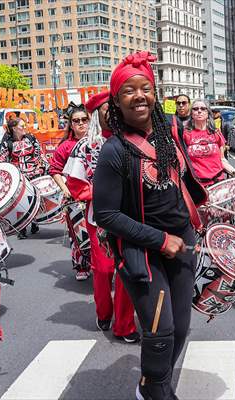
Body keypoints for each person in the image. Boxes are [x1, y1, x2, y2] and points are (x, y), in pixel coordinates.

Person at [93, 51, 207, 400]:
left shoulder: (170, 136)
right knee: (160, 331)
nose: (139, 95)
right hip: (143, 250)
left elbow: (182, 186)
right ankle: (156, 389)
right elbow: (106, 215)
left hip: (183, 243)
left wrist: (201, 217)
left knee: (182, 329)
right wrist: (160, 240)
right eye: (129, 90)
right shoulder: (114, 151)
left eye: (145, 88)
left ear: (155, 94)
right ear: (117, 100)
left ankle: (150, 382)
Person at [63, 90, 139, 343]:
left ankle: (125, 325)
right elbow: (75, 183)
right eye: (107, 111)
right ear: (98, 115)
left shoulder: (132, 140)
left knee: (128, 271)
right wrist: (104, 193)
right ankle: (104, 312)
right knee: (104, 270)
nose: (113, 115)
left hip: (131, 217)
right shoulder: (85, 146)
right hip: (100, 218)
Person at [49, 105, 92, 280]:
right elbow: (54, 170)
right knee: (79, 234)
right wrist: (66, 190)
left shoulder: (98, 141)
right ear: (71, 125)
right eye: (76, 121)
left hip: (98, 197)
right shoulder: (66, 146)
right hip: (75, 199)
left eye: (84, 120)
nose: (81, 123)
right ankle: (82, 266)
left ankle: (103, 266)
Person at [0, 117, 49, 239]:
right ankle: (22, 227)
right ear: (14, 128)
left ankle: (35, 222)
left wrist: (44, 168)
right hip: (19, 178)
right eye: (22, 126)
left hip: (35, 174)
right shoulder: (6, 143)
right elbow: (2, 161)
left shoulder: (31, 139)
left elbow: (39, 154)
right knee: (21, 202)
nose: (24, 127)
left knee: (36, 198)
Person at [182, 99, 235, 187]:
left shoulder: (216, 133)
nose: (199, 111)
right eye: (195, 109)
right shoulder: (185, 134)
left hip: (218, 183)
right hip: (196, 185)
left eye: (203, 109)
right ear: (191, 113)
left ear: (208, 113)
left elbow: (222, 160)